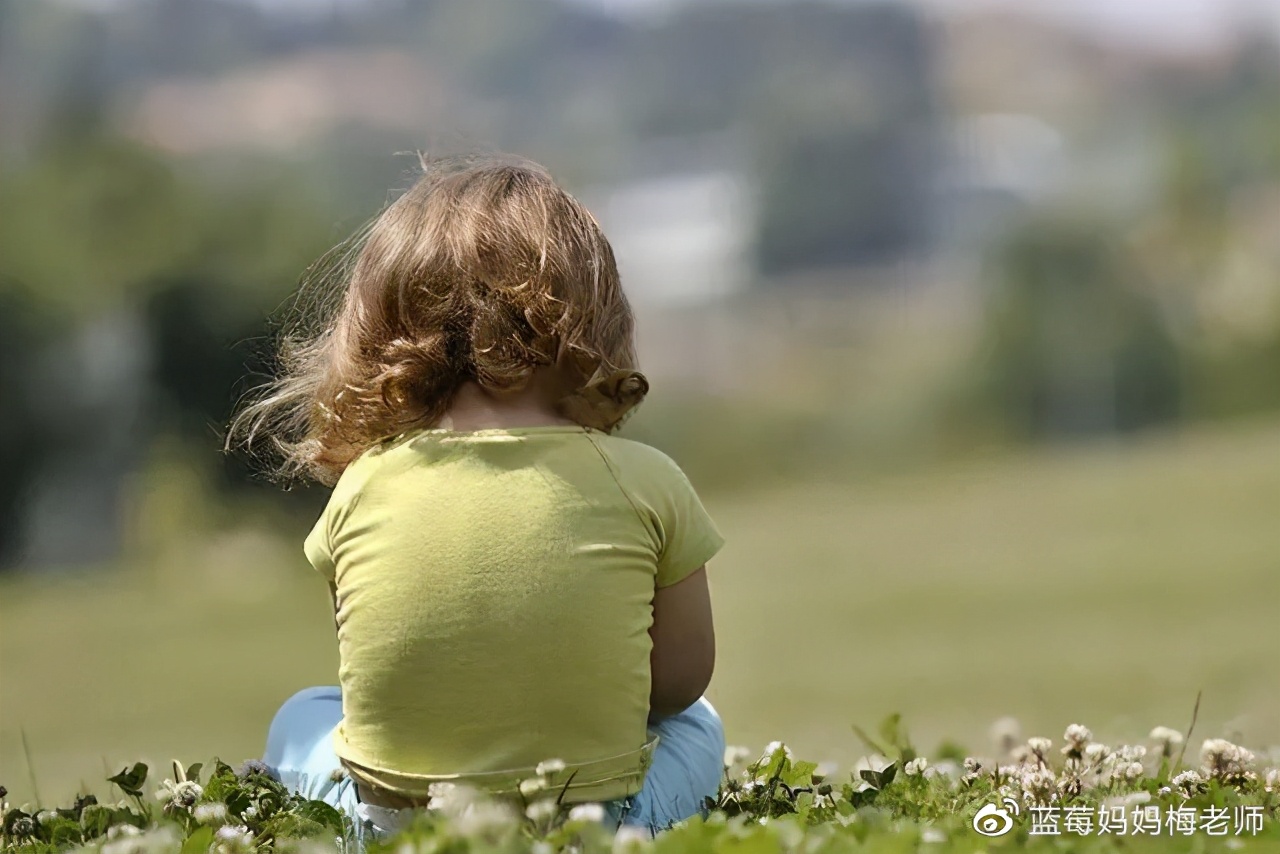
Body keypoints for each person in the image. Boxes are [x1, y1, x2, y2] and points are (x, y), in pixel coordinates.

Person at [228, 154, 726, 841]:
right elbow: (679, 684)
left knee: (302, 716)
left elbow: (385, 679)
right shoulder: (645, 479)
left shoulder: (364, 485)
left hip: (403, 822)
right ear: (594, 320)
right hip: (595, 816)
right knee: (700, 729)